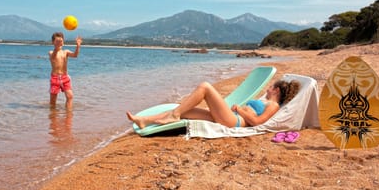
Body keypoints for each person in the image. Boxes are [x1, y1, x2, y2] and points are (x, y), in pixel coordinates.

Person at [126, 79, 300, 129]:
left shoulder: (274, 106)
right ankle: (144, 120)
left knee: (205, 87)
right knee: (186, 110)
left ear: (276, 91)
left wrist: (240, 109)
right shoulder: (266, 101)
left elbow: (257, 122)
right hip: (232, 117)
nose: (268, 89)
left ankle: (173, 116)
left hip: (235, 121)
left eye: (271, 87)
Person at [49, 32, 82, 109]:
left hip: (65, 77)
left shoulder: (65, 52)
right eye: (57, 41)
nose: (59, 43)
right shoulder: (51, 52)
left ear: (63, 42)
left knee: (70, 96)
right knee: (53, 100)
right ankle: (53, 115)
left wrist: (78, 46)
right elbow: (53, 57)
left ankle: (68, 113)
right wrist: (56, 48)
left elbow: (75, 55)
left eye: (61, 41)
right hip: (55, 78)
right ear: (53, 42)